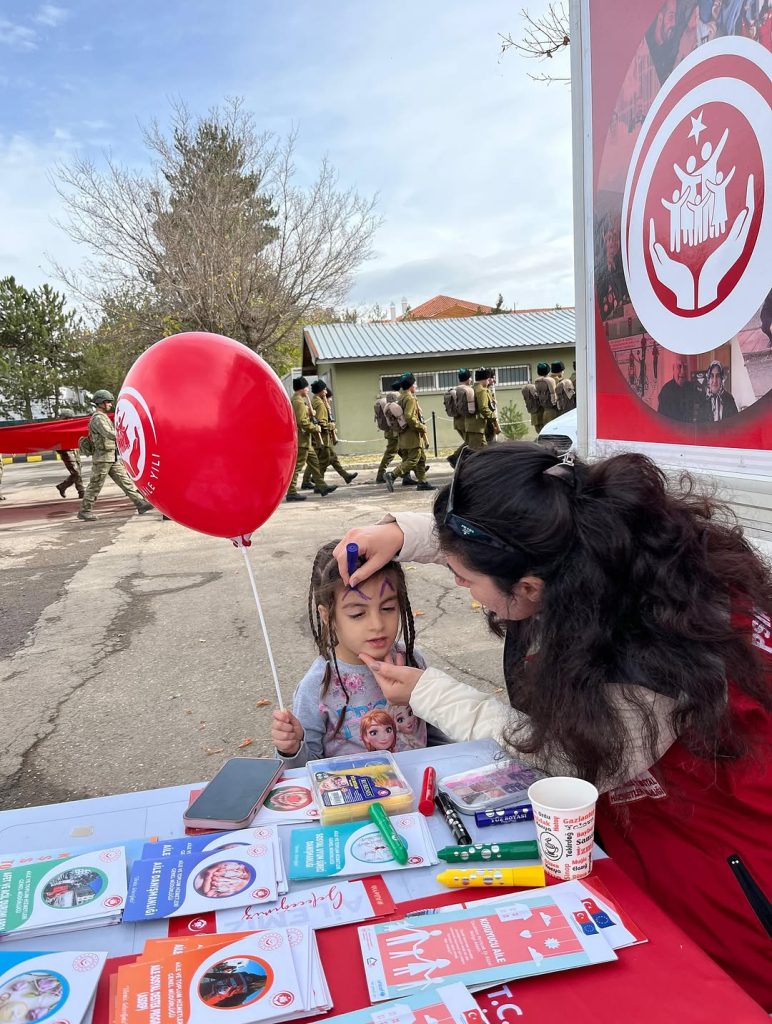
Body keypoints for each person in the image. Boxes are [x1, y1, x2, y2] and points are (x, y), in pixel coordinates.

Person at [332, 441, 772, 1011]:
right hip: (659, 828)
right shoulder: (614, 552)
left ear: (533, 589)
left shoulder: (650, 672)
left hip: (724, 871)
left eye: (465, 581)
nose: (462, 588)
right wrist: (406, 533)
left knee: (715, 997)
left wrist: (429, 691)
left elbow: (560, 759)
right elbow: (507, 540)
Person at [270, 540, 430, 767]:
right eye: (357, 614)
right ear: (327, 616)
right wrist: (292, 749)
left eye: (387, 608)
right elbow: (307, 769)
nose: (377, 624)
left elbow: (439, 737)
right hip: (355, 797)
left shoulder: (413, 662)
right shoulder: (316, 686)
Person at [78, 391, 153, 522]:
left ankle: (140, 504)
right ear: (101, 403)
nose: (110, 404)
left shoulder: (103, 417)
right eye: (108, 402)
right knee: (95, 484)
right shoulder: (98, 418)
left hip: (110, 457)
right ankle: (85, 511)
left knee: (125, 481)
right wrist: (125, 435)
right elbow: (108, 433)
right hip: (102, 458)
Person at [286, 377, 336, 503]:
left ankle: (322, 486)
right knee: (297, 467)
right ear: (302, 388)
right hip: (302, 439)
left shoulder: (299, 401)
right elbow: (302, 422)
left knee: (315, 463)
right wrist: (315, 428)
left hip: (306, 441)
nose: (308, 390)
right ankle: (291, 492)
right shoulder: (298, 402)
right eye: (306, 387)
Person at [384, 373, 435, 492]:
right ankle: (392, 475)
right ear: (411, 385)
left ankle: (422, 482)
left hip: (404, 435)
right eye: (415, 383)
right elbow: (409, 417)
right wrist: (421, 427)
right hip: (412, 435)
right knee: (413, 460)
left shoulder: (401, 397)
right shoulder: (410, 398)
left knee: (421, 458)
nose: (416, 386)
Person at [301, 381, 357, 488]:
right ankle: (318, 485)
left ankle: (345, 476)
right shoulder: (320, 404)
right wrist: (332, 426)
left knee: (332, 458)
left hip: (319, 437)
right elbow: (321, 424)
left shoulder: (315, 401)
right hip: (322, 438)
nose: (326, 392)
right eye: (325, 390)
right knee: (323, 461)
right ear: (321, 391)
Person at [375, 390, 402, 484]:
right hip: (393, 433)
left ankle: (410, 472)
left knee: (404, 452)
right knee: (390, 454)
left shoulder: (386, 405)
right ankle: (380, 475)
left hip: (389, 432)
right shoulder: (392, 406)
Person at [448, 369, 474, 468]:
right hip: (465, 422)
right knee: (471, 442)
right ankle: (454, 458)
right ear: (467, 379)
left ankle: (459, 459)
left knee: (469, 443)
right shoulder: (466, 390)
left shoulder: (456, 390)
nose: (471, 380)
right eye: (470, 377)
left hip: (457, 422)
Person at [464, 369, 495, 451]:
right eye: (488, 380)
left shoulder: (472, 388)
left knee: (476, 449)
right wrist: (493, 416)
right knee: (480, 451)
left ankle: (455, 459)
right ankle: (455, 460)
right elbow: (483, 408)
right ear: (484, 379)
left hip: (470, 424)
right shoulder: (481, 390)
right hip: (477, 425)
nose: (488, 382)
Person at [657, 357, 696, 422]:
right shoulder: (666, 391)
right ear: (673, 368)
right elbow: (661, 420)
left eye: (685, 367)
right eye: (679, 366)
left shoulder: (692, 387)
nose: (683, 371)